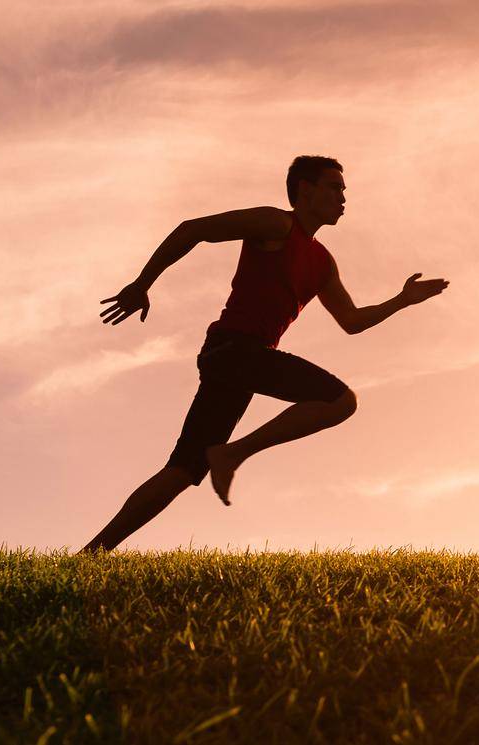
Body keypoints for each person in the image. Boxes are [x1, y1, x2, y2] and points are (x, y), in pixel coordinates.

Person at [79, 155, 447, 553]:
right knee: (340, 401)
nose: (343, 197)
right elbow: (194, 229)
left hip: (240, 362)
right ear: (304, 190)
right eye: (334, 187)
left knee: (183, 469)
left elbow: (352, 320)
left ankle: (91, 554)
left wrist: (401, 300)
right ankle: (231, 455)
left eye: (344, 190)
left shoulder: (323, 262)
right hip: (233, 350)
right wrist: (142, 283)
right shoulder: (276, 224)